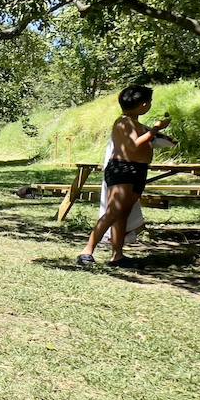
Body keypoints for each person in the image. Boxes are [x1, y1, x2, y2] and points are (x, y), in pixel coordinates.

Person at [78, 85, 170, 267]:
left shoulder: (137, 123)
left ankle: (117, 255)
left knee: (123, 214)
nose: (150, 105)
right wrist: (155, 129)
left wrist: (159, 136)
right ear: (143, 104)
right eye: (149, 102)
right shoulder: (123, 122)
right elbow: (134, 145)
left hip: (138, 170)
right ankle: (86, 251)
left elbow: (144, 141)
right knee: (113, 212)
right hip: (123, 169)